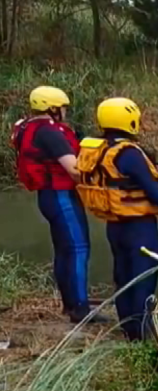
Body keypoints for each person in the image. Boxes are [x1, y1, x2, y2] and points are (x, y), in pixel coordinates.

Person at [75, 97, 158, 342]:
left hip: (115, 226)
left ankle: (128, 330)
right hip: (139, 228)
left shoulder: (100, 150)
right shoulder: (129, 153)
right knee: (143, 279)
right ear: (129, 121)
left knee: (123, 277)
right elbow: (153, 191)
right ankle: (142, 334)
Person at [8, 86, 106, 323]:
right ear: (52, 108)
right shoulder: (50, 133)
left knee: (64, 250)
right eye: (62, 108)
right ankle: (80, 310)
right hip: (62, 197)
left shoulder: (28, 127)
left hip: (48, 197)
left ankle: (70, 304)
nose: (65, 112)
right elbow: (74, 171)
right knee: (78, 249)